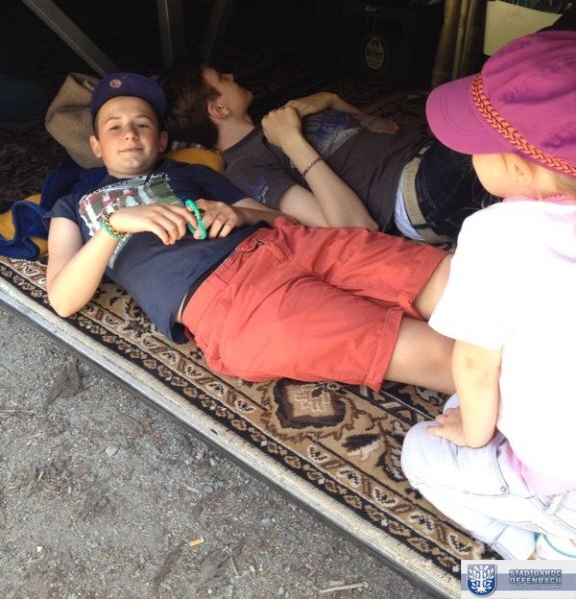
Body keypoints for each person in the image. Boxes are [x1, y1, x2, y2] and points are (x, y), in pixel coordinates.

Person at [45, 72, 455, 395]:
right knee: (432, 353)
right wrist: (115, 225)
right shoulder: (74, 205)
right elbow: (62, 299)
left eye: (142, 124)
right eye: (114, 127)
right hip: (230, 299)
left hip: (289, 243)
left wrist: (239, 213)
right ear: (95, 146)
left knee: (453, 280)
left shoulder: (191, 172)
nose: (130, 133)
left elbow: (279, 217)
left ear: (163, 139)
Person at [401, 30, 576, 561]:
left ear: (520, 166)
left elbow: (476, 364)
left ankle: (541, 562)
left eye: (477, 144)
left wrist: (474, 434)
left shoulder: (496, 235)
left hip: (562, 480)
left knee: (421, 449)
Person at [162, 63, 496, 244]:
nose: (232, 75)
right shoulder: (245, 167)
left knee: (509, 79)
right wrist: (292, 140)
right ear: (218, 109)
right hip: (416, 194)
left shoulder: (274, 119)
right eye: (221, 78)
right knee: (503, 104)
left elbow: (378, 130)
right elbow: (351, 226)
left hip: (428, 155)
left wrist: (331, 100)